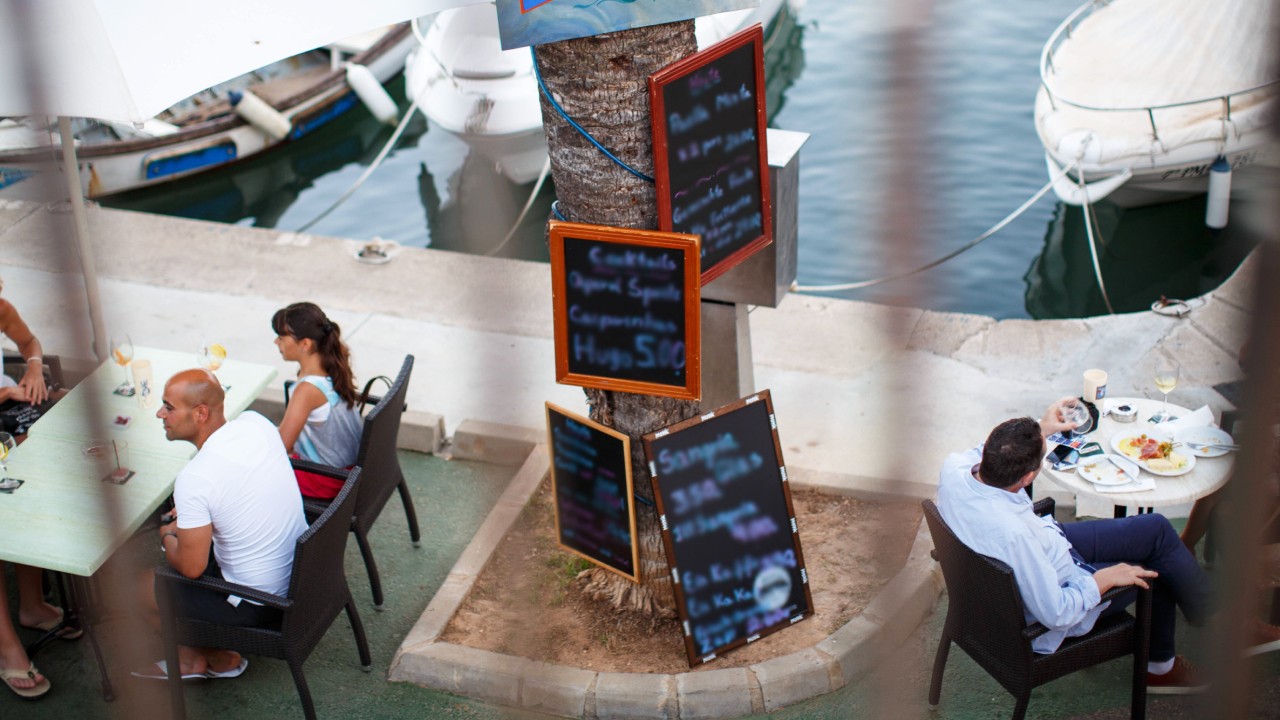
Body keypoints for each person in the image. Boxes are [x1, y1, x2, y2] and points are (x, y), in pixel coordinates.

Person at [937, 398, 1223, 694]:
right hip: (1065, 582)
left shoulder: (954, 470)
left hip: (1051, 541)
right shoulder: (1014, 536)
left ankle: (1215, 617)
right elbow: (1056, 613)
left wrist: (1041, 430)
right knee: (1157, 570)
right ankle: (1161, 668)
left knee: (1158, 529)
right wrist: (1104, 580)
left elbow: (986, 450)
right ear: (1026, 479)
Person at [133, 369, 307, 680]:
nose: (160, 413)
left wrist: (167, 536)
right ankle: (205, 653)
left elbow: (191, 567)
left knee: (136, 588)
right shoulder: (257, 423)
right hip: (299, 578)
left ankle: (204, 658)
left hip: (259, 603)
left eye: (168, 407)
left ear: (200, 413)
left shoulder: (196, 477)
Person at [270, 302, 362, 500]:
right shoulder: (332, 370)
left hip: (326, 481)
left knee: (247, 472)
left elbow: (282, 446)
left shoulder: (307, 390)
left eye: (281, 337)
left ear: (305, 344)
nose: (276, 342)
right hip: (346, 473)